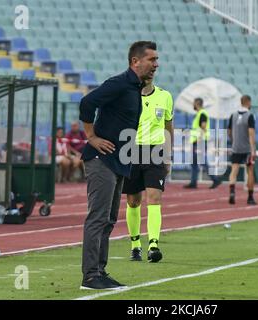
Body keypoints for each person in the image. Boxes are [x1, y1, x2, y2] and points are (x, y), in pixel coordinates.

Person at [79, 41, 158, 290]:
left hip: (119, 162)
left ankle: (99, 272)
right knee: (98, 218)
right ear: (135, 61)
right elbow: (87, 103)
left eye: (156, 60)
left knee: (109, 220)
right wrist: (91, 137)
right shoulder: (119, 83)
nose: (156, 64)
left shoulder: (135, 88)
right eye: (151, 60)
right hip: (101, 159)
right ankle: (90, 276)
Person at [122, 78, 174, 263]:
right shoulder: (127, 97)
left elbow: (168, 126)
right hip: (132, 149)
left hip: (155, 152)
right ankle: (135, 245)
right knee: (133, 201)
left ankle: (153, 245)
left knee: (154, 197)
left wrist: (168, 155)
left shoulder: (165, 96)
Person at [183, 98, 221, 189]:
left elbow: (203, 127)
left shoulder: (202, 114)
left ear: (197, 103)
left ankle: (215, 179)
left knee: (202, 162)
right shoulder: (200, 114)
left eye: (194, 103)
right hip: (197, 141)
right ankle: (193, 182)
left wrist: (199, 140)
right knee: (194, 163)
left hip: (199, 141)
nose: (193, 105)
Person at [227, 95, 257, 205]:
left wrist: (233, 141)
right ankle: (250, 197)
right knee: (250, 172)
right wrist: (253, 149)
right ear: (248, 102)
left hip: (236, 147)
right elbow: (251, 133)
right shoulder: (250, 116)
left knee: (234, 171)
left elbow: (229, 131)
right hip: (247, 149)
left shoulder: (233, 115)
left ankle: (231, 192)